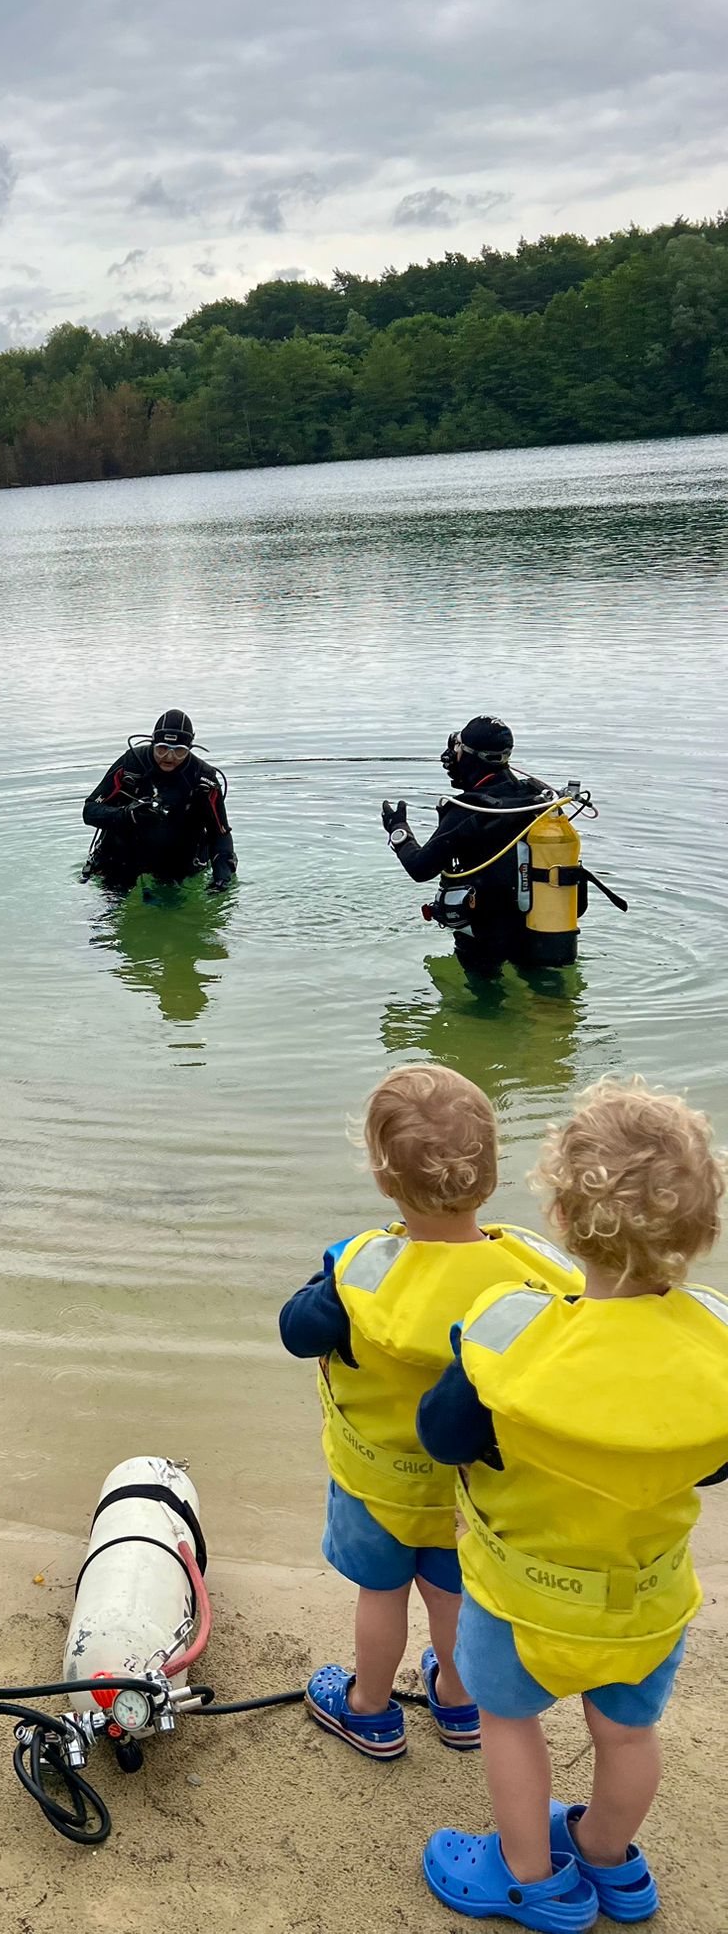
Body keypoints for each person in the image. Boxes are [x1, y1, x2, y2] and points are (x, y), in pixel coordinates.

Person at [417, 1079, 728, 1930]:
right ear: (700, 1228)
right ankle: (608, 1861)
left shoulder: (508, 1334)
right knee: (626, 1735)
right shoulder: (717, 1342)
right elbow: (714, 1464)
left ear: (558, 1214)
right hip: (645, 1602)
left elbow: (442, 1434)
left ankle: (530, 1878)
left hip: (520, 1599)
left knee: (509, 1723)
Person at [278, 1065, 578, 1765]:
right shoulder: (535, 1277)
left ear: (384, 1180)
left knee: (381, 1594)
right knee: (451, 1598)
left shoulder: (358, 1272)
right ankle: (459, 1700)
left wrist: (323, 1286)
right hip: (469, 1495)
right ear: (491, 1175)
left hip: (375, 1485)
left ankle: (370, 1710)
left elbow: (297, 1332)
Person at [381, 717, 554, 975]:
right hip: (542, 929)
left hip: (485, 939)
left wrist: (399, 830)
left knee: (484, 997)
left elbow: (420, 868)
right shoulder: (538, 797)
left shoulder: (468, 809)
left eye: (458, 746)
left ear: (472, 756)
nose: (453, 752)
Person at [81, 709, 236, 893]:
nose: (169, 757)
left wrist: (221, 880)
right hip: (122, 859)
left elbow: (220, 833)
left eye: (179, 751)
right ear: (153, 743)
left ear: (190, 748)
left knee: (176, 907)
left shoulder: (203, 777)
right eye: (162, 749)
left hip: (176, 864)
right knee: (110, 906)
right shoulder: (132, 764)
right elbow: (90, 811)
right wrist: (127, 815)